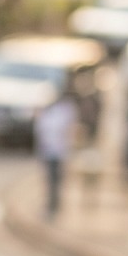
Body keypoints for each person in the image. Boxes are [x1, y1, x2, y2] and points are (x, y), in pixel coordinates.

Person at [34, 89, 77, 220]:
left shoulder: (64, 112)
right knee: (50, 180)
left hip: (59, 152)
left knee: (56, 180)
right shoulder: (46, 114)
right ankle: (51, 205)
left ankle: (54, 206)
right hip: (48, 152)